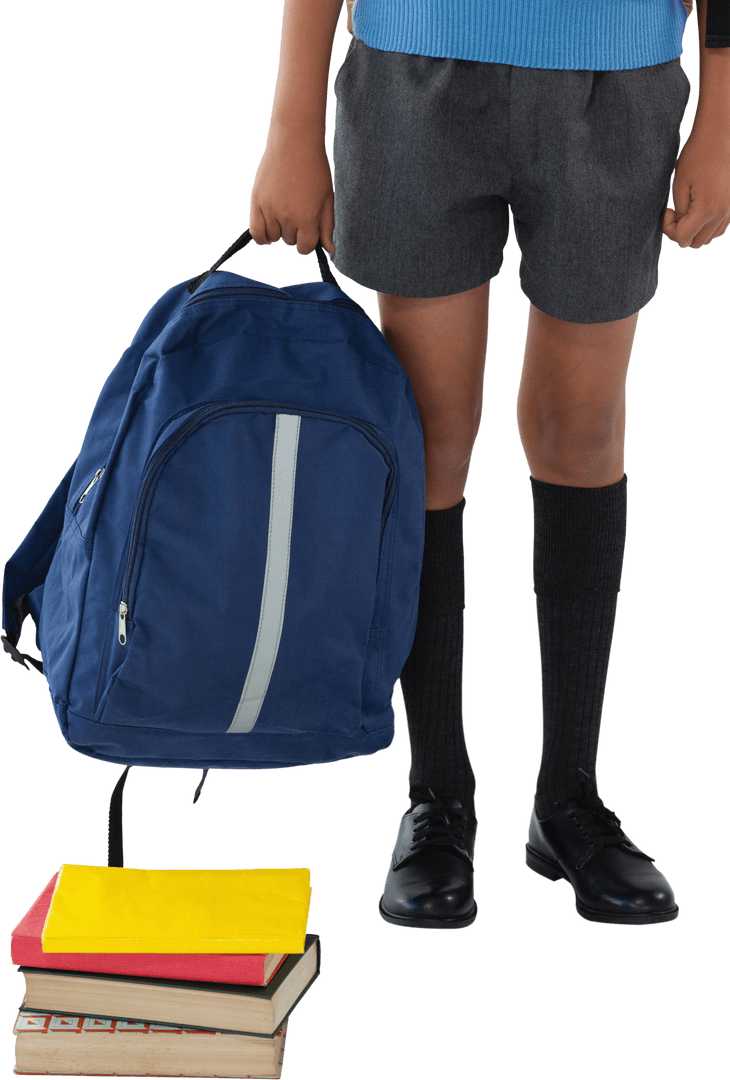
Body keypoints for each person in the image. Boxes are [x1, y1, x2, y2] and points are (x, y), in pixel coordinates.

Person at [248, 0, 729, 928]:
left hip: (615, 80)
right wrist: (289, 124)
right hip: (415, 69)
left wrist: (720, 117)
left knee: (581, 429)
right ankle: (437, 800)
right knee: (429, 434)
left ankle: (569, 797)